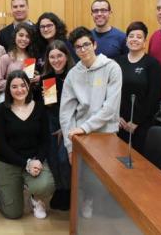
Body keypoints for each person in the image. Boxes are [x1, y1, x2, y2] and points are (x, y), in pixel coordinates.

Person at [60, 26, 122, 218]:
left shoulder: (112, 68)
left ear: (94, 44)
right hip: (80, 134)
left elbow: (110, 108)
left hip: (105, 132)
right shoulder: (73, 74)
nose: (83, 50)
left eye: (86, 44)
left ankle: (99, 204)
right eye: (78, 47)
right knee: (67, 164)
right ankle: (85, 200)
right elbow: (66, 112)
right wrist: (70, 146)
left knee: (102, 175)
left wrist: (84, 128)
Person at [0, 70, 55, 219]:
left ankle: (35, 197)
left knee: (45, 186)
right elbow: (0, 145)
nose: (19, 89)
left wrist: (38, 160)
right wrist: (25, 163)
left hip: (33, 159)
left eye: (23, 85)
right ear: (8, 89)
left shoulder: (40, 107)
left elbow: (45, 140)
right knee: (13, 213)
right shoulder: (0, 110)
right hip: (8, 162)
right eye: (14, 86)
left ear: (28, 86)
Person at [116, 22, 161, 155]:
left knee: (139, 164)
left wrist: (136, 122)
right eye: (131, 36)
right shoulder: (118, 62)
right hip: (120, 122)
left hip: (142, 124)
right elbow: (111, 92)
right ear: (126, 40)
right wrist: (117, 116)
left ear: (144, 41)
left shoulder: (152, 64)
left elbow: (154, 96)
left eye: (139, 36)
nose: (134, 39)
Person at [40, 40, 75, 211]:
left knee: (64, 159)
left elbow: (76, 106)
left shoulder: (74, 75)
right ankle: (60, 189)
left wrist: (65, 127)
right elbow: (51, 106)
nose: (56, 60)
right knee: (53, 157)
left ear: (66, 56)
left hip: (71, 123)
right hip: (53, 123)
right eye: (52, 57)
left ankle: (69, 191)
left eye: (59, 56)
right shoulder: (47, 78)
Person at [0, 22, 38, 99]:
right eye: (21, 35)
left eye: (27, 36)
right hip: (8, 98)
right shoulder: (6, 58)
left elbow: (30, 83)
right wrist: (16, 83)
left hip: (27, 98)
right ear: (15, 36)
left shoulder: (31, 58)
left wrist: (34, 80)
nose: (24, 39)